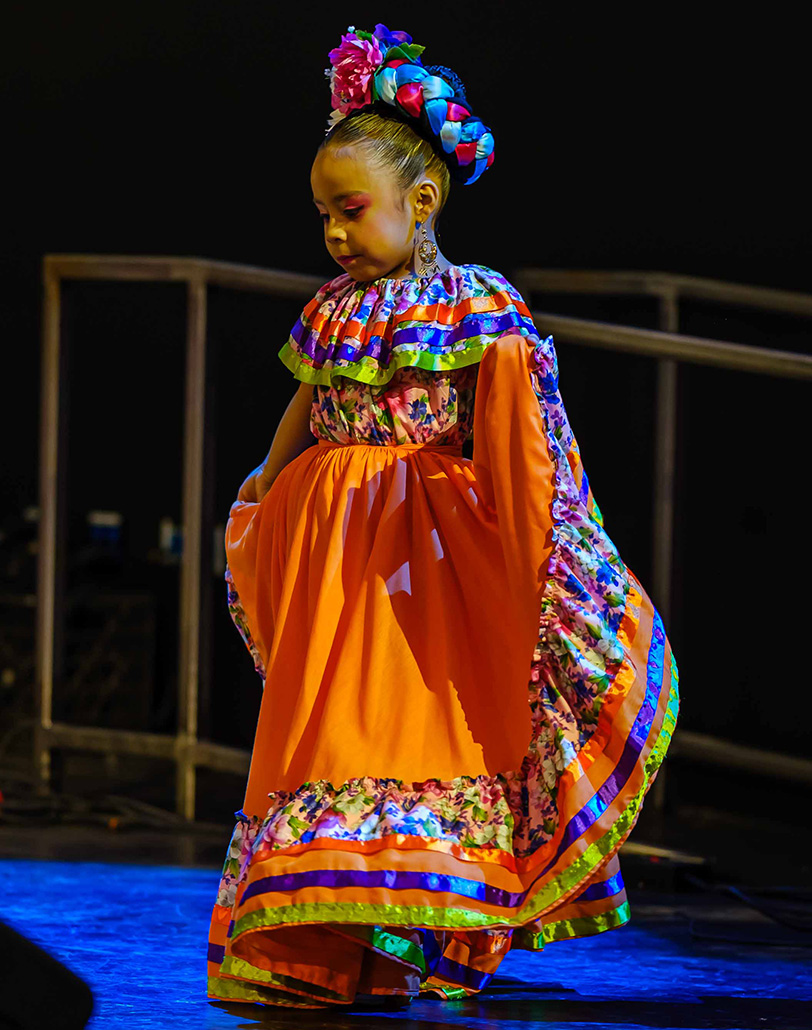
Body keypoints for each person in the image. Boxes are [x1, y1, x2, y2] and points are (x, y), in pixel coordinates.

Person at [206, 22, 679, 1012]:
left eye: (349, 210)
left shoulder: (476, 306)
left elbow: (520, 437)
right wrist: (263, 482)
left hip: (420, 566)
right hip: (336, 554)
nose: (334, 233)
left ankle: (400, 932)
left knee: (406, 738)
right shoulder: (333, 308)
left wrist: (545, 551)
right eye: (322, 215)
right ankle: (318, 939)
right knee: (325, 736)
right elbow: (306, 401)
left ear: (419, 203)